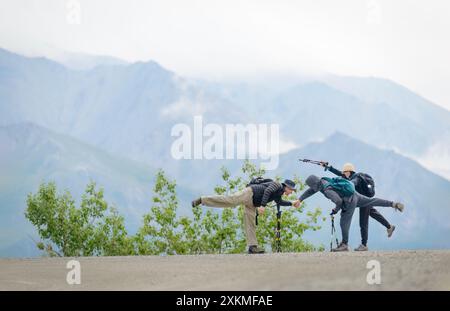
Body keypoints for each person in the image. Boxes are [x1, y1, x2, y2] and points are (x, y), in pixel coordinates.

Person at [293, 175, 404, 252]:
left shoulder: (327, 190)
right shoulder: (323, 181)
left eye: (311, 185)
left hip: (349, 201)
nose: (311, 188)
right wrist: (300, 199)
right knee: (371, 201)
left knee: (344, 221)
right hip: (355, 194)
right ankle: (393, 204)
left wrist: (335, 210)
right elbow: (311, 191)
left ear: (314, 184)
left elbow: (338, 201)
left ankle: (344, 244)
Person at [192, 179, 297, 254]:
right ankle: (203, 200)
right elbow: (267, 191)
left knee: (250, 223)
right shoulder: (277, 185)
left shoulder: (279, 194)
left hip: (253, 203)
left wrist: (292, 203)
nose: (291, 192)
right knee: (231, 200)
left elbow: (279, 202)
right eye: (291, 190)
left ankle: (252, 247)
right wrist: (263, 206)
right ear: (287, 187)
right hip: (250, 193)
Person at [321, 162, 397, 251]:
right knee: (373, 213)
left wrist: (346, 184)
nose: (343, 174)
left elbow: (352, 183)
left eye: (345, 172)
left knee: (363, 222)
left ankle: (364, 245)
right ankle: (389, 227)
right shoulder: (351, 175)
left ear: (349, 172)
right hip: (363, 200)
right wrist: (329, 168)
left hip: (364, 200)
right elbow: (341, 174)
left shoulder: (356, 178)